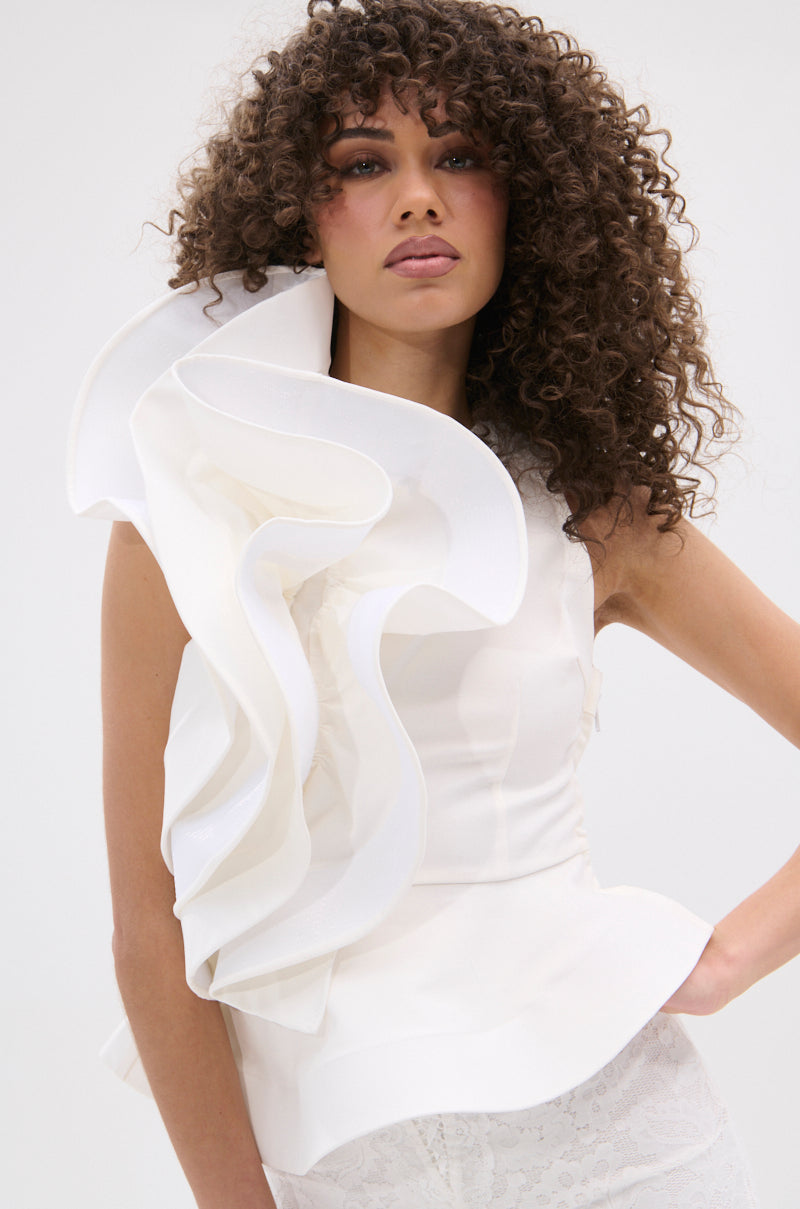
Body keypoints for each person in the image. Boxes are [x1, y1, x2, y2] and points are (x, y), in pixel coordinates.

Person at [67, 0, 800, 1204]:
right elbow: (150, 933)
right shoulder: (187, 517)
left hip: (625, 1140)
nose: (417, 197)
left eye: (458, 156)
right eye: (365, 164)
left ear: (530, 203)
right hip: (343, 1159)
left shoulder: (591, 514)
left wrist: (725, 959)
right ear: (301, 212)